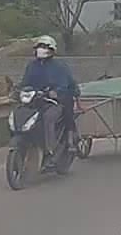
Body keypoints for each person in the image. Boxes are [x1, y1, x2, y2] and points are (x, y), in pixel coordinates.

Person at [20, 35, 80, 166]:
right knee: (23, 114)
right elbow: (25, 83)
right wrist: (17, 90)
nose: (41, 50)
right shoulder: (31, 66)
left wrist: (55, 92)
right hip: (36, 101)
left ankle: (51, 150)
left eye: (45, 47)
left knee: (48, 118)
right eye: (39, 47)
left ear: (52, 50)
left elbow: (64, 84)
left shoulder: (59, 66)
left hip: (55, 102)